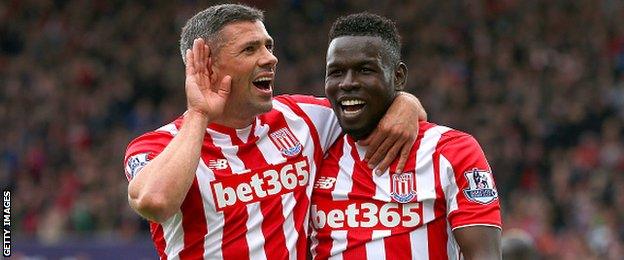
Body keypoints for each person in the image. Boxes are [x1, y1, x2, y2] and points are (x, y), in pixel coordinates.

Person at [123, 4, 426, 259]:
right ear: (208, 65)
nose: (270, 58)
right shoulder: (159, 145)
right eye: (250, 49)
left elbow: (372, 105)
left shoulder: (303, 119)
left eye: (268, 45)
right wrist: (200, 112)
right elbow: (155, 202)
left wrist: (405, 101)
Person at [310, 13, 502, 259]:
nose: (347, 83)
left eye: (365, 70)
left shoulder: (452, 151)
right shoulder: (312, 150)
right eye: (336, 72)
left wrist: (407, 102)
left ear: (398, 76)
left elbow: (485, 255)